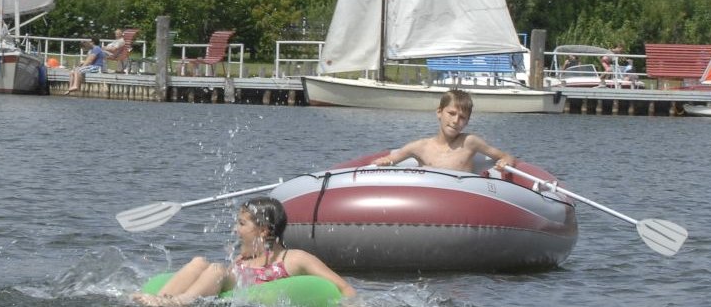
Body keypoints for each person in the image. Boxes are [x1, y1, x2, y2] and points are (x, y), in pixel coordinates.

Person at [135, 197, 353, 305]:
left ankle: (177, 303)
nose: (235, 230)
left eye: (241, 224)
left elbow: (344, 288)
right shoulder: (242, 260)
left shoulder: (295, 258)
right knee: (199, 261)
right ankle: (158, 299)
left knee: (217, 268)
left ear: (264, 230)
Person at [371, 88, 516, 173]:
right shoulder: (419, 147)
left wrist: (505, 162)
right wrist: (384, 162)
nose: (455, 121)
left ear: (467, 122)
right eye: (451, 113)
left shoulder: (470, 142)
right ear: (439, 112)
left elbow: (506, 156)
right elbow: (387, 161)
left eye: (462, 117)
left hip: (463, 200)